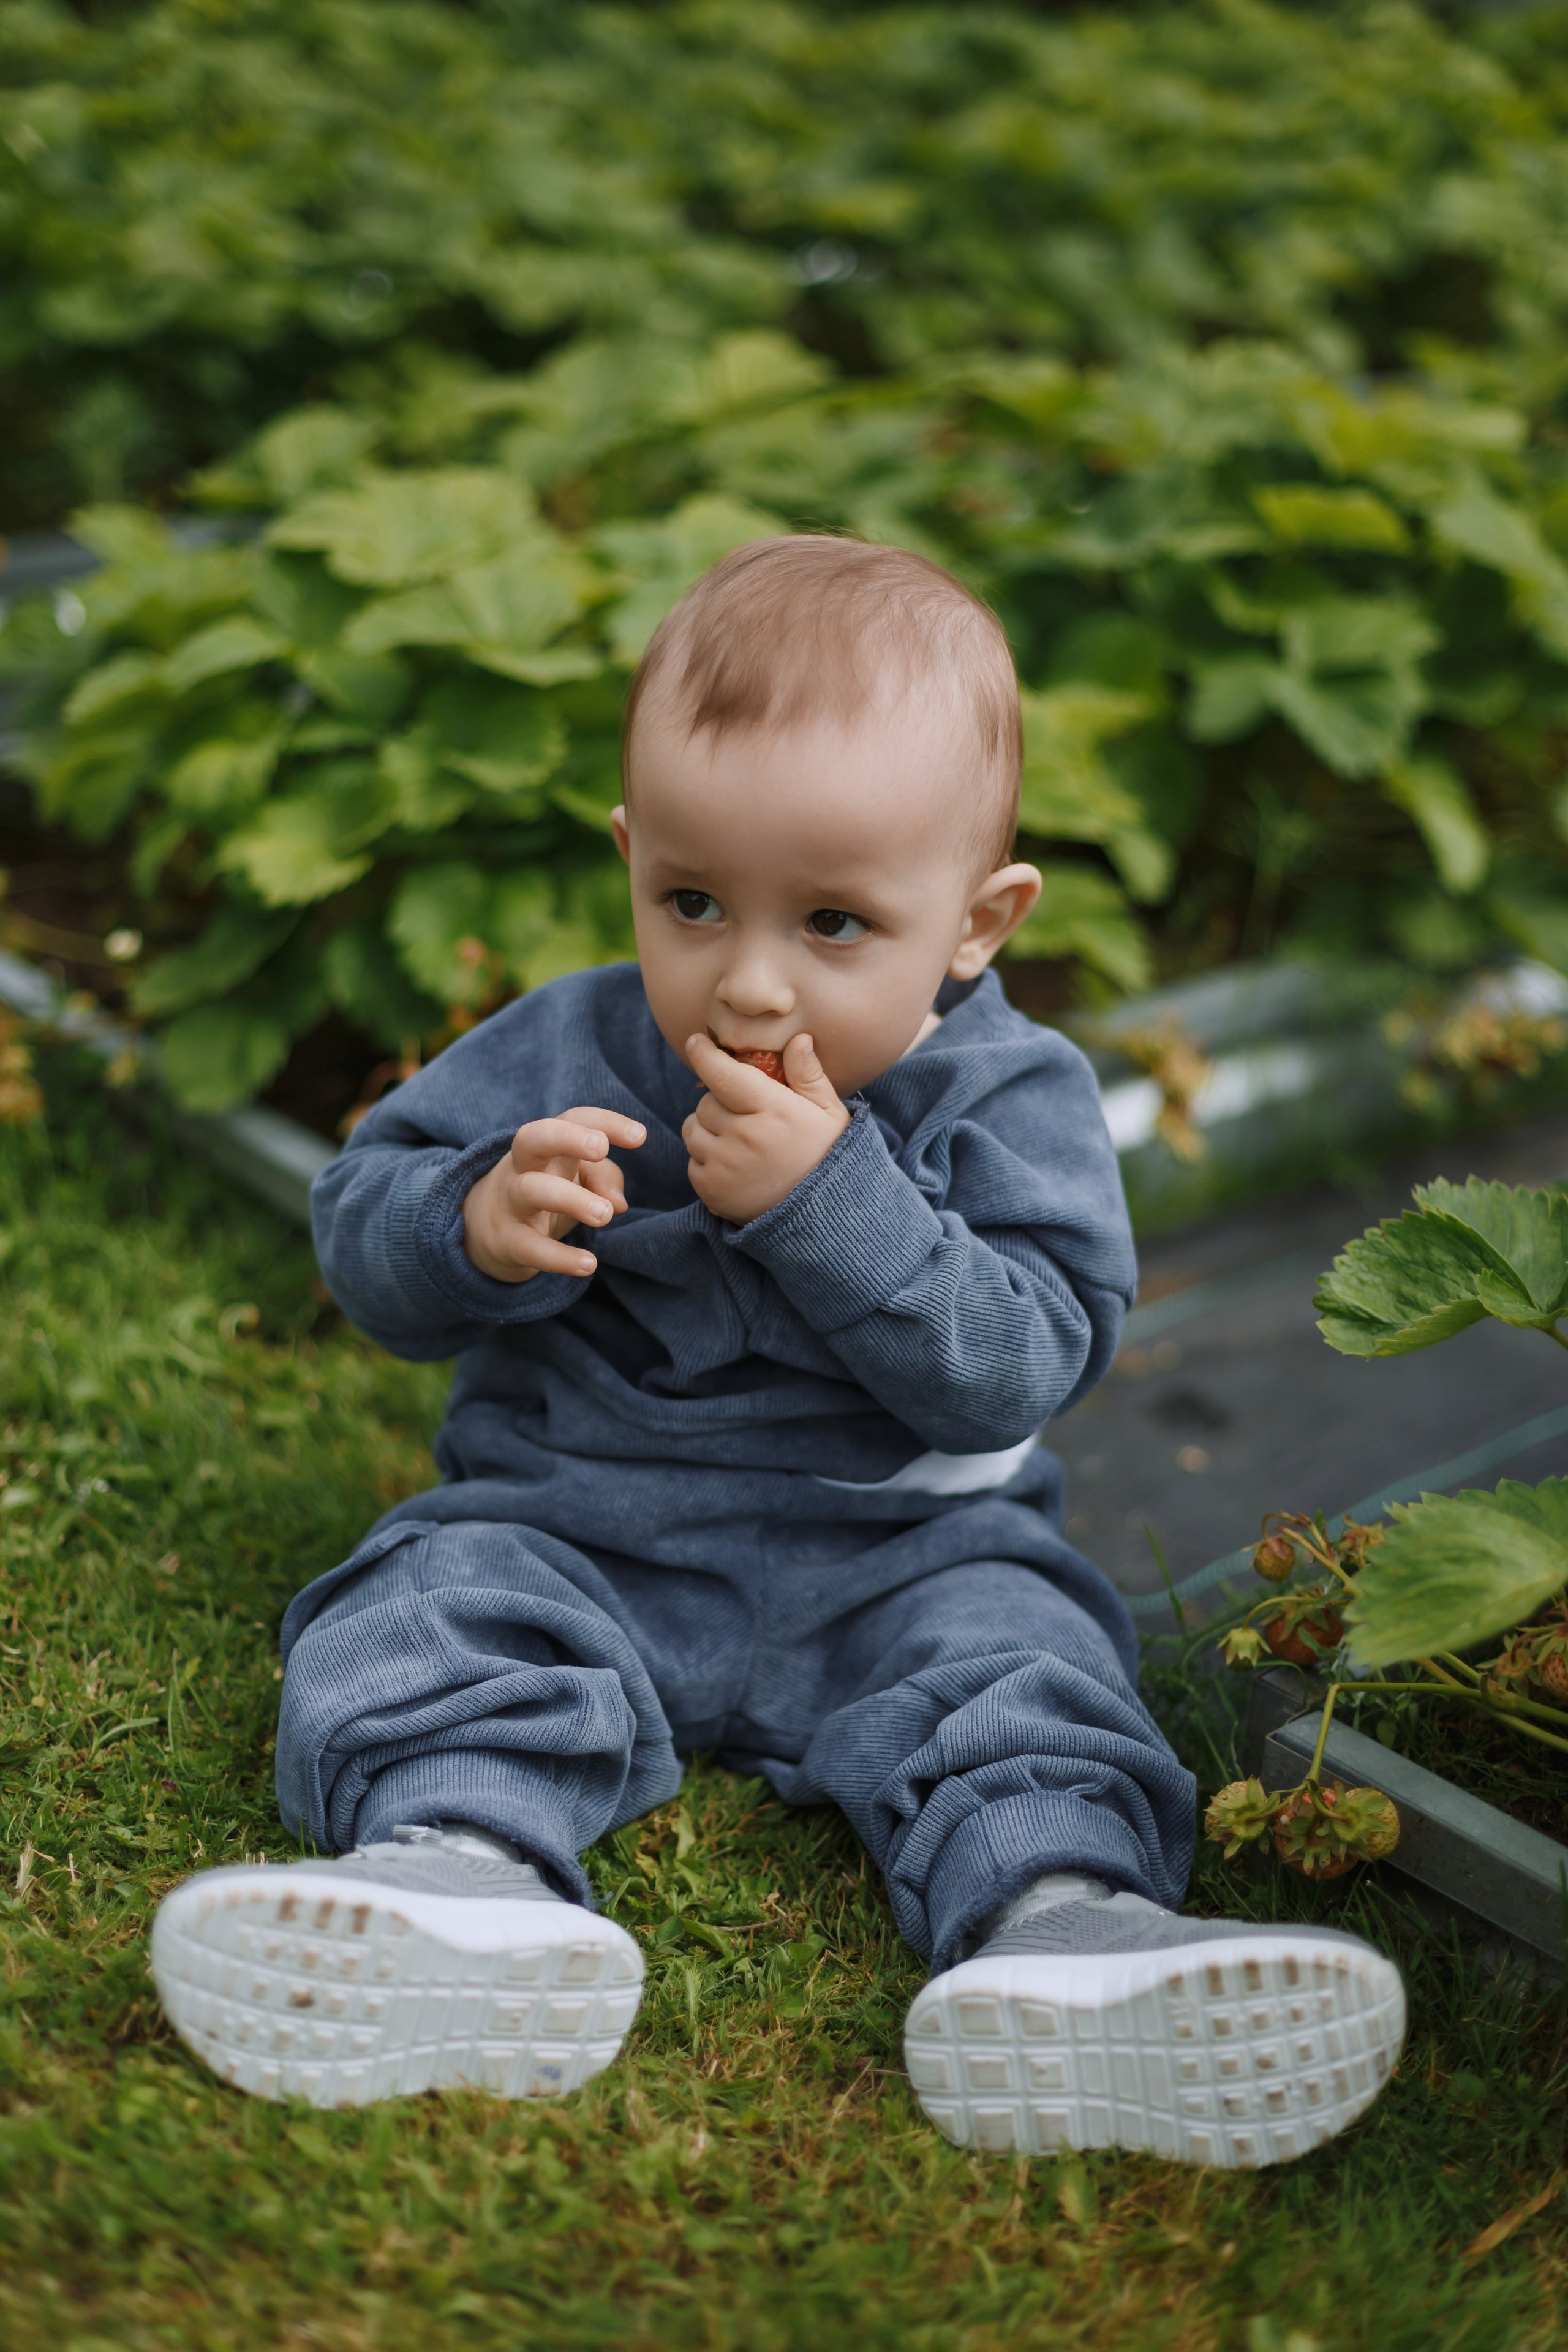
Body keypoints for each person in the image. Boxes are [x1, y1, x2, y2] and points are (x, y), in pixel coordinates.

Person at [151, 537, 1403, 2165]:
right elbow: (360, 1231)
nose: (744, 983)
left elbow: (1025, 1362)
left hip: (903, 1556)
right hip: (580, 1528)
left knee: (1022, 1675)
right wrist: (470, 1220)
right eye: (690, 901)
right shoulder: (566, 1043)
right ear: (632, 862)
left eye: (831, 922)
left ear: (977, 920)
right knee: (433, 1616)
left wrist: (835, 1207)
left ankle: (1063, 1928)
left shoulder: (1011, 1100)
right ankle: (457, 1873)